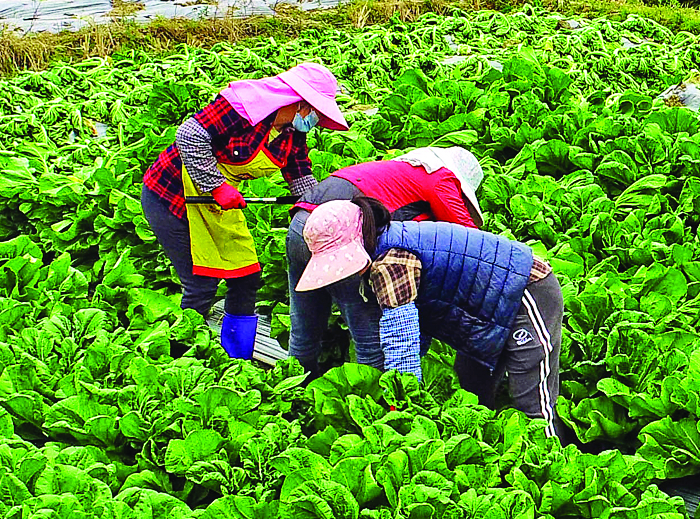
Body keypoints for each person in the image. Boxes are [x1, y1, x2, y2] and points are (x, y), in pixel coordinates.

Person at [294, 197, 564, 439]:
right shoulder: (387, 243)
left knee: (532, 405)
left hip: (527, 290)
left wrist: (403, 407)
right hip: (481, 312)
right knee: (471, 396)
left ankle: (554, 466)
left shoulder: (391, 261)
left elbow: (402, 340)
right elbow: (417, 328)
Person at [139, 62, 347, 361]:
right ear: (299, 103)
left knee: (247, 276)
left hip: (215, 206)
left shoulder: (291, 133)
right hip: (173, 199)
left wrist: (318, 207)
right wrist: (216, 186)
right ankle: (178, 358)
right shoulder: (242, 109)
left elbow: (299, 173)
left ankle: (236, 358)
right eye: (315, 112)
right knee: (201, 284)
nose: (315, 120)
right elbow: (189, 135)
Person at [285, 147, 486, 370]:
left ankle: (293, 393)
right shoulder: (441, 179)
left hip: (300, 227)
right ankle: (377, 399)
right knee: (370, 338)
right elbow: (471, 239)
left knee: (304, 328)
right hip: (342, 239)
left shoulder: (397, 170)